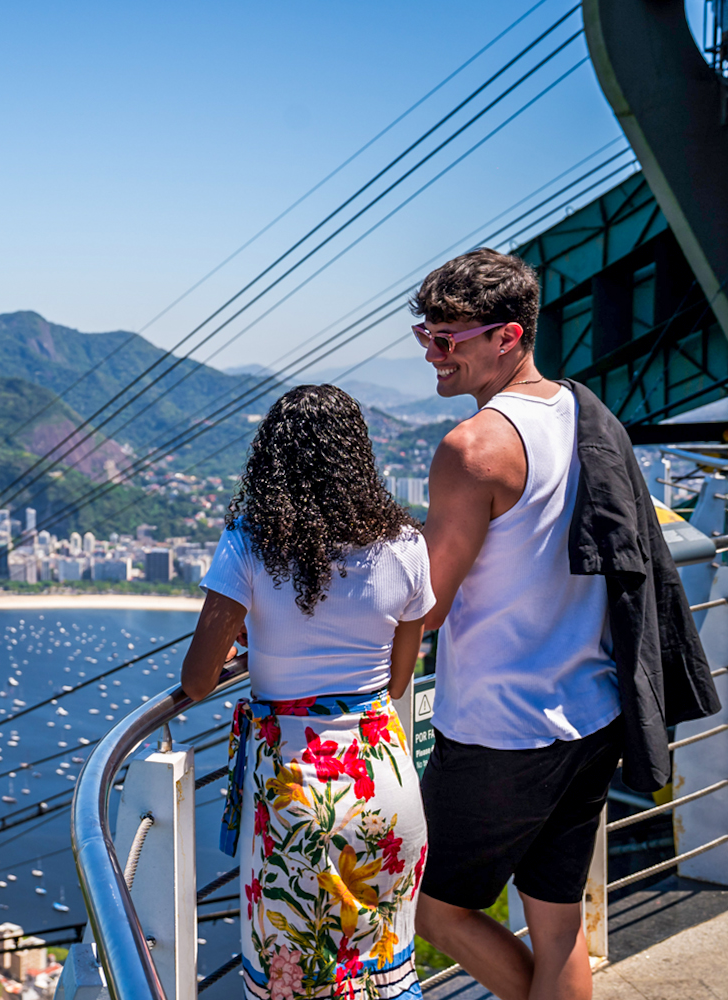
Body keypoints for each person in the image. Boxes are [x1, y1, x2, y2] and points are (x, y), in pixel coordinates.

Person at [408, 249, 719, 1000]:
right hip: (590, 713)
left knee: (428, 904)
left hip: (499, 731)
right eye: (425, 335)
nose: (431, 354)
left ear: (507, 336)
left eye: (448, 339)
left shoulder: (472, 448)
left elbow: (425, 603)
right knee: (557, 924)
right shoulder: (587, 414)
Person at [182, 384, 435, 1000]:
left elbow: (195, 680)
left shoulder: (248, 543)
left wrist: (256, 644)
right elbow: (398, 680)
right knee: (381, 974)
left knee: (292, 984)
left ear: (271, 460)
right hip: (385, 783)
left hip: (294, 795)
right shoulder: (405, 545)